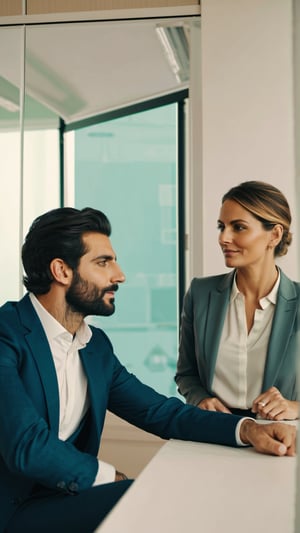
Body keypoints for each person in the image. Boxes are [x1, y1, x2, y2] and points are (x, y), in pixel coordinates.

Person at [0, 206, 296, 533]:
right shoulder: (6, 334)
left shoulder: (94, 347)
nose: (119, 275)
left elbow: (160, 412)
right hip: (10, 511)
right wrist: (105, 476)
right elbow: (25, 445)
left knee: (169, 497)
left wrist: (246, 429)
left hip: (59, 500)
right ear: (62, 271)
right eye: (103, 262)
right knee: (144, 500)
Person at [175, 181, 300, 421]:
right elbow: (186, 374)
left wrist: (295, 407)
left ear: (274, 235)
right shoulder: (200, 294)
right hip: (214, 430)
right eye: (221, 227)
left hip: (280, 436)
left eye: (238, 227)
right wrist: (200, 398)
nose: (224, 238)